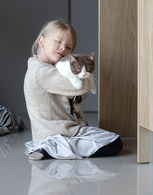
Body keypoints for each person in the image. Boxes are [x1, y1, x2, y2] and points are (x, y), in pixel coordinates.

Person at [24, 19, 122, 160]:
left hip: (61, 130)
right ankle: (51, 147)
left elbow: (74, 96)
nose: (63, 48)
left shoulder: (49, 69)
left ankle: (53, 146)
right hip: (56, 133)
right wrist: (87, 77)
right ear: (41, 41)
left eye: (68, 47)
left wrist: (76, 96)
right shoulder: (41, 71)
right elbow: (77, 87)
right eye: (58, 42)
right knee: (114, 143)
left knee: (109, 139)